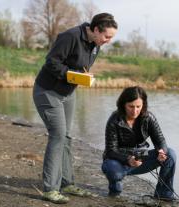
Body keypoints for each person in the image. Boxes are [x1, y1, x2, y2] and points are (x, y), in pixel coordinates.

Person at [33, 13, 118, 204]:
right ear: (96, 29)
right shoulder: (70, 36)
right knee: (58, 135)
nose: (108, 41)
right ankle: (50, 189)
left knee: (67, 137)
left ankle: (67, 183)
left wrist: (84, 77)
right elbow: (51, 62)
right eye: (107, 36)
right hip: (47, 91)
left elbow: (81, 69)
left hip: (67, 94)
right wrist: (72, 75)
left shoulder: (96, 45)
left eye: (111, 38)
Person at [102, 86, 177, 201]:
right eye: (131, 106)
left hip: (141, 157)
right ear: (123, 105)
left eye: (138, 106)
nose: (135, 110)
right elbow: (110, 151)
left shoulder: (148, 117)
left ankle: (163, 194)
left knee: (170, 154)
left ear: (143, 105)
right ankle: (115, 191)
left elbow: (160, 140)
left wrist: (162, 151)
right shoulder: (114, 119)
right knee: (114, 172)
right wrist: (128, 159)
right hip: (118, 160)